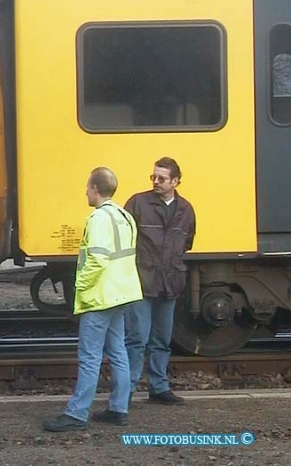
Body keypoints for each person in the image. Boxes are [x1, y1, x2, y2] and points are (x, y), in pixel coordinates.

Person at [43, 167, 143, 432]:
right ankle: (118, 408)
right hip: (121, 294)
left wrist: (80, 286)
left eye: (88, 186)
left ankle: (76, 414)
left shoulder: (98, 219)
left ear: (96, 189)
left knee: (90, 356)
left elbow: (97, 260)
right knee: (119, 352)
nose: (85, 191)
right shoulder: (125, 216)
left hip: (99, 296)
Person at [124, 157, 196, 406]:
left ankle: (158, 387)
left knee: (161, 340)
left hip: (170, 283)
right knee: (137, 339)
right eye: (153, 177)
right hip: (142, 282)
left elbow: (186, 243)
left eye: (161, 178)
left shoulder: (186, 210)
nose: (156, 181)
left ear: (175, 181)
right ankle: (127, 390)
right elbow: (123, 240)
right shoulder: (137, 202)